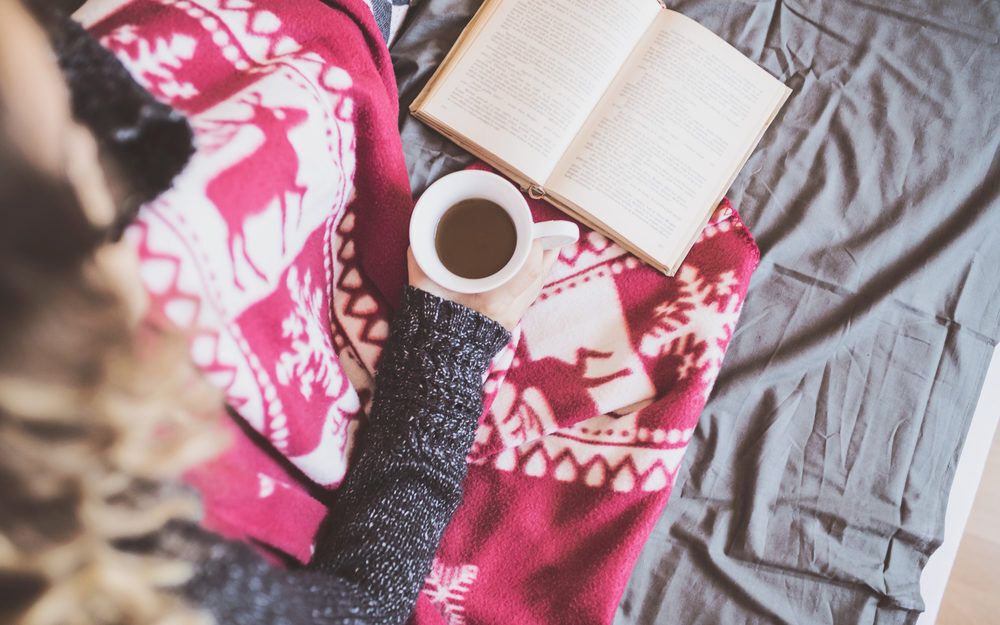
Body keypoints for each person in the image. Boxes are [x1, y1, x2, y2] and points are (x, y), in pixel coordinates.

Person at [0, 1, 557, 624]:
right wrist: (448, 350)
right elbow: (364, 609)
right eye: (69, 154)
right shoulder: (125, 563)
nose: (86, 140)